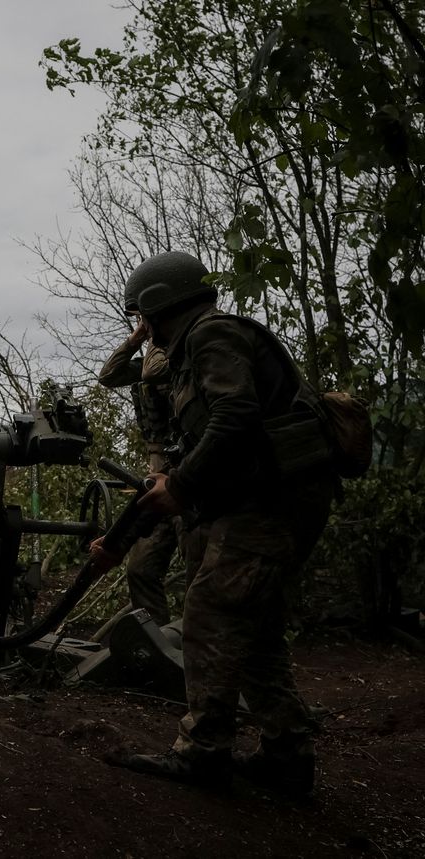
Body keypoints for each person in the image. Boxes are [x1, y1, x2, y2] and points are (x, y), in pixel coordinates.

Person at [103, 251, 336, 797]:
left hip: (271, 505)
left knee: (209, 617)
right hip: (273, 500)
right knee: (255, 633)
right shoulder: (197, 347)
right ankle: (287, 755)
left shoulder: (212, 336)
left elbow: (235, 418)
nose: (144, 328)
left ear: (160, 305)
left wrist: (179, 487)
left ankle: (203, 752)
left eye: (144, 315)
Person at [98, 311, 180, 626]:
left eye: (149, 319)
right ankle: (158, 643)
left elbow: (152, 372)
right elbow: (108, 375)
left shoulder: (176, 360)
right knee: (140, 569)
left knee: (204, 570)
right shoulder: (149, 360)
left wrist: (156, 339)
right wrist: (135, 340)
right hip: (157, 476)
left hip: (187, 476)